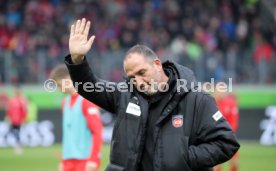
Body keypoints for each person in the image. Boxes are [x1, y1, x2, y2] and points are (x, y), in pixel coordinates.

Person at [64, 18, 240, 171]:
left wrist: (184, 158)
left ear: (157, 64)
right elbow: (89, 86)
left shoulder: (196, 99)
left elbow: (226, 143)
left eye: (142, 72)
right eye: (132, 77)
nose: (138, 82)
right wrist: (77, 61)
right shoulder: (125, 95)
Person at [49, 64, 103, 171]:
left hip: (85, 160)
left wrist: (93, 159)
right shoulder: (65, 102)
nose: (59, 89)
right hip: (68, 162)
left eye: (59, 85)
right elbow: (69, 136)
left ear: (68, 79)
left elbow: (97, 131)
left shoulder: (86, 100)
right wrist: (64, 161)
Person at [214, 83, 239, 171]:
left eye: (223, 90)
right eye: (219, 90)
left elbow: (234, 121)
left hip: (229, 136)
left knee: (235, 164)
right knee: (216, 164)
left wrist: (227, 134)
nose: (221, 92)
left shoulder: (231, 102)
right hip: (215, 136)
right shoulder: (211, 103)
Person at [6, 87, 28, 154]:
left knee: (17, 132)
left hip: (19, 120)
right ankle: (18, 144)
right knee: (14, 132)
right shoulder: (12, 100)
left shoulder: (22, 100)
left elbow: (24, 111)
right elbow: (9, 110)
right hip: (13, 120)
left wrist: (24, 119)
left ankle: (18, 145)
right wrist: (8, 117)